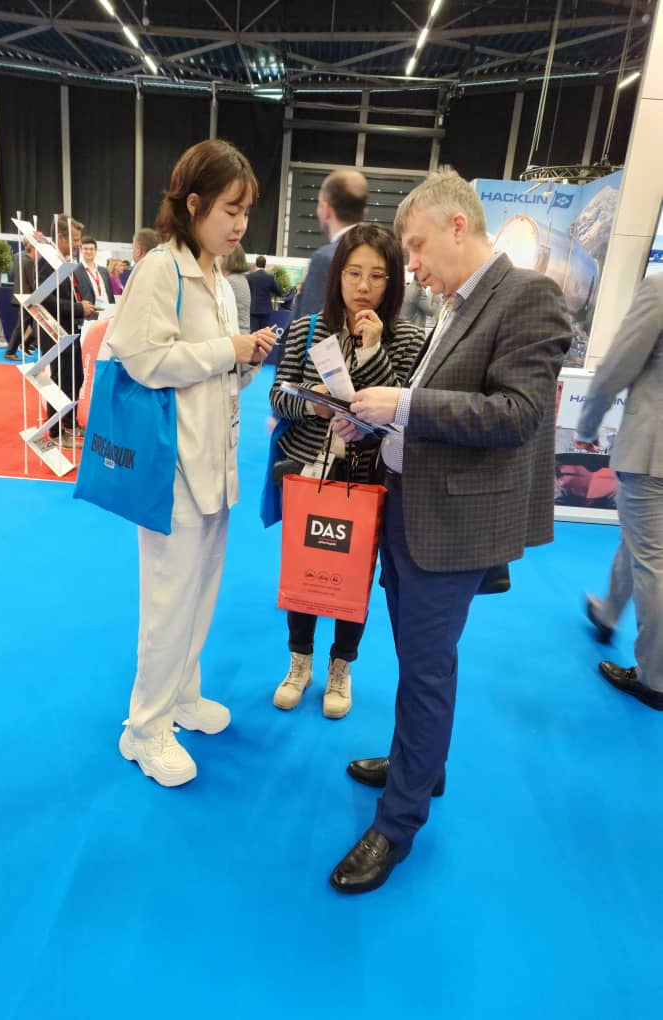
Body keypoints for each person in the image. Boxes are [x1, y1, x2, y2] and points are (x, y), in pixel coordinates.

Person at [328, 168, 571, 894]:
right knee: (422, 661)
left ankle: (398, 822)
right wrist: (378, 419)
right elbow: (445, 402)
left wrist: (402, 405)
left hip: (454, 522)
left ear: (457, 225)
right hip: (413, 506)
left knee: (426, 668)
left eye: (415, 245)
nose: (411, 264)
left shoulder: (528, 296)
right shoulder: (458, 302)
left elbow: (516, 414)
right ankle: (420, 765)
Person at [106, 139, 276, 787]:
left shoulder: (221, 280)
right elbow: (141, 358)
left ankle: (180, 694)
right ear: (195, 203)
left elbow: (213, 371)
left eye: (246, 211)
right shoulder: (161, 269)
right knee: (168, 601)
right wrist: (225, 350)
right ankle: (143, 727)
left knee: (200, 592)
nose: (240, 224)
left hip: (214, 461)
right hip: (169, 466)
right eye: (231, 209)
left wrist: (244, 361)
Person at [269, 223, 425, 719]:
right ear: (338, 275)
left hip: (368, 476)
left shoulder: (408, 339)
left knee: (354, 575)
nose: (363, 286)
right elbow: (278, 395)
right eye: (354, 273)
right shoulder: (307, 329)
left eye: (377, 276)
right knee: (304, 568)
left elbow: (400, 412)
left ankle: (341, 667)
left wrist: (373, 351)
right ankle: (299, 662)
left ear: (393, 281)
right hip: (311, 470)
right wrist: (312, 406)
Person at [574, 272, 663, 711]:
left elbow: (616, 366)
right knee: (643, 542)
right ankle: (609, 612)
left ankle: (655, 679)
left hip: (653, 452)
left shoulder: (660, 288)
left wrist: (587, 424)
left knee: (653, 560)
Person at [36, 214, 94, 447]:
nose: (79, 244)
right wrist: (78, 308)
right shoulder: (47, 261)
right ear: (61, 237)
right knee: (60, 381)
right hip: (54, 331)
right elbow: (44, 299)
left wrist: (81, 308)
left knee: (75, 378)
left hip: (69, 329)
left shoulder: (62, 260)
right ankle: (56, 431)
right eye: (76, 239)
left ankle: (70, 423)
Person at [293, 170, 369, 320]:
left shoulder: (325, 259)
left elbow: (308, 326)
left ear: (326, 210)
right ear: (364, 211)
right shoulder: (381, 254)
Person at [5, 241, 36, 360]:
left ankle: (25, 345)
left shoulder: (22, 260)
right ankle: (10, 352)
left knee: (34, 326)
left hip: (23, 298)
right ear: (33, 250)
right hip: (26, 299)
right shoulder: (28, 262)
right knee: (22, 326)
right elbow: (32, 282)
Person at [74, 236, 115, 315]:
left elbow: (110, 293)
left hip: (107, 312)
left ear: (96, 251)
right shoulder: (75, 271)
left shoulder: (104, 271)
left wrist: (113, 309)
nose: (89, 251)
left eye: (91, 249)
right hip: (90, 314)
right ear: (81, 251)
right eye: (85, 249)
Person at [221, 242, 251, 334]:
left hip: (236, 333)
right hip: (241, 332)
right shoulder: (240, 278)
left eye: (221, 256)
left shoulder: (230, 281)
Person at [247, 255, 282, 332]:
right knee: (265, 333)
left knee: (254, 333)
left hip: (253, 309)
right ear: (265, 265)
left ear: (256, 264)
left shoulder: (249, 277)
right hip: (266, 310)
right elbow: (278, 292)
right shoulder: (270, 277)